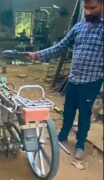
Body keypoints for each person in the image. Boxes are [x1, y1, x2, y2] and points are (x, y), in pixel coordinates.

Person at [28, 0, 103, 160]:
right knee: (68, 110)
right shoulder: (78, 28)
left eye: (92, 8)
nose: (88, 12)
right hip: (73, 80)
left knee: (84, 114)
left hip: (91, 82)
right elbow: (60, 47)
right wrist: (38, 55)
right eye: (85, 8)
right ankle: (62, 135)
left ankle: (80, 144)